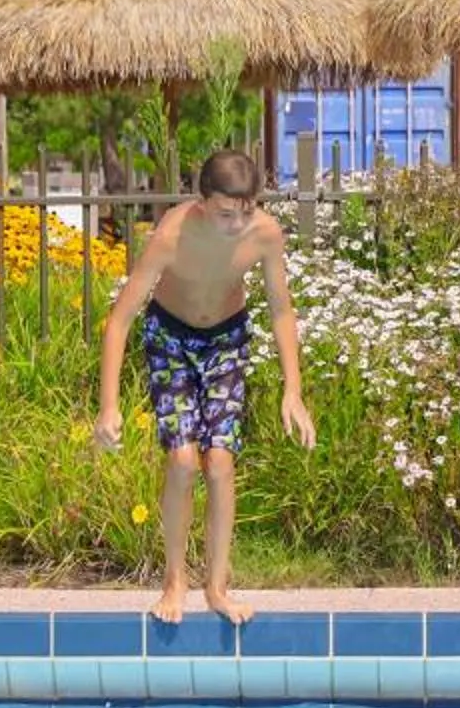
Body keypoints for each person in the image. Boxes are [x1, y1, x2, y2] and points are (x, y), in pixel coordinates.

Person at [93, 149, 316, 626]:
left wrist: (292, 390)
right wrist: (108, 407)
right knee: (181, 460)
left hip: (227, 341)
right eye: (224, 214)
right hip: (170, 338)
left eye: (247, 211)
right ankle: (175, 581)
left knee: (219, 463)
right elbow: (120, 320)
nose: (236, 224)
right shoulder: (171, 235)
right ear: (202, 203)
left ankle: (217, 586)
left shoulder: (265, 234)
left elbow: (281, 309)